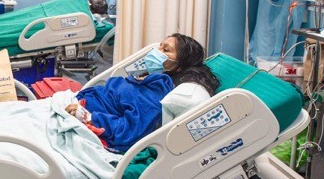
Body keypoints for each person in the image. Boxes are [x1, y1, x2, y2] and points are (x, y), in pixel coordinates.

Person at [66, 34, 219, 151]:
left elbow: (129, 131)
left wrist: (89, 117)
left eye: (166, 50)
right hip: (75, 102)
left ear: (179, 66)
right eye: (160, 46)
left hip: (80, 114)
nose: (157, 51)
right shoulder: (149, 78)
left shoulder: (155, 93)